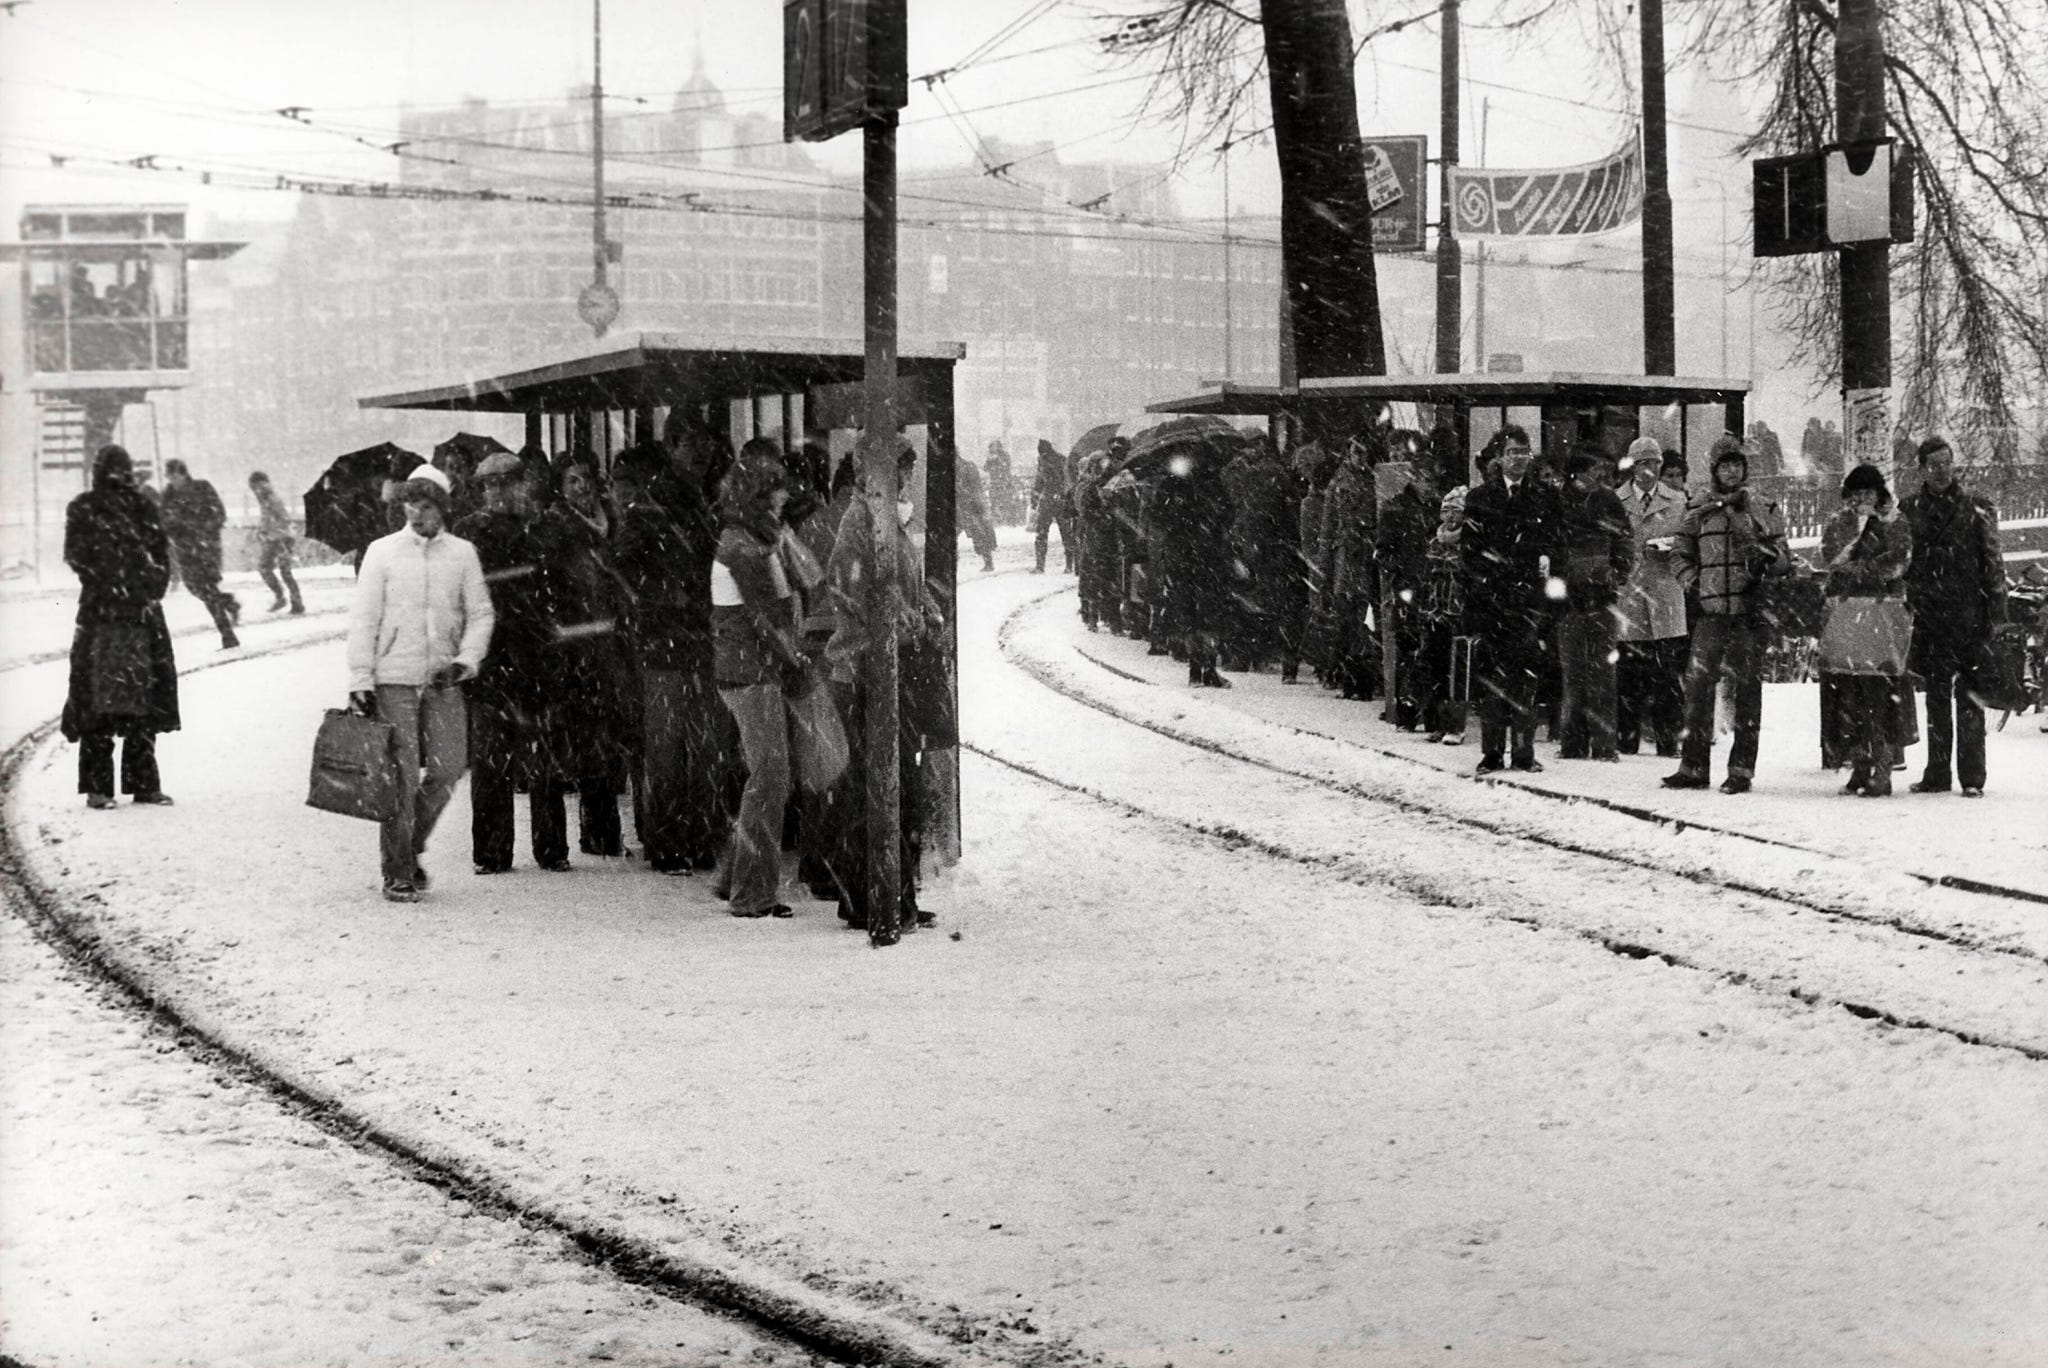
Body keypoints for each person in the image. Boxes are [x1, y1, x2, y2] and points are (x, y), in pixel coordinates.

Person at [345, 464, 494, 903]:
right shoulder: (382, 552)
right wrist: (360, 678)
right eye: (410, 503)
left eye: (426, 505)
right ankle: (397, 871)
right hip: (394, 678)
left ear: (443, 508)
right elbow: (364, 618)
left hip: (444, 679)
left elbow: (481, 613)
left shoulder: (462, 554)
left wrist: (465, 661)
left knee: (449, 768)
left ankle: (407, 847)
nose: (417, 513)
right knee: (403, 777)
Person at [823, 438, 946, 930]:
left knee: (895, 782)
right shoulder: (862, 519)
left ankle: (888, 892)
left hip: (890, 666)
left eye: (910, 470)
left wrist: (925, 608)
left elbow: (898, 583)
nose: (908, 479)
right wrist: (904, 618)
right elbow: (851, 585)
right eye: (902, 470)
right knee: (881, 784)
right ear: (876, 472)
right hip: (865, 668)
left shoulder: (887, 517)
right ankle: (875, 896)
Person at [453, 452, 563, 874]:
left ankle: (551, 847)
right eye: (489, 484)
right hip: (493, 657)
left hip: (535, 655)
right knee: (491, 760)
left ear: (522, 483)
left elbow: (558, 586)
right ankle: (493, 851)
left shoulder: (540, 528)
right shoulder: (468, 535)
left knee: (543, 759)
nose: (497, 491)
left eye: (505, 482)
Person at [1663, 436, 1790, 794]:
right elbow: (1680, 552)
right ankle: (1693, 766)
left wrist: (1764, 554)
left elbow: (1783, 560)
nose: (1731, 471)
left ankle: (1741, 769)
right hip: (1711, 613)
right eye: (1724, 465)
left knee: (1747, 692)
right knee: (1698, 690)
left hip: (1749, 612)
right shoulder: (1700, 509)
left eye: (1737, 464)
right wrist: (1693, 582)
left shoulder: (1763, 508)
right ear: (1714, 470)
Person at [712, 441, 805, 919]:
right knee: (771, 778)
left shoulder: (748, 538)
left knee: (763, 778)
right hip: (752, 671)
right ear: (759, 497)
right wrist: (794, 657)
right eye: (777, 493)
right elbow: (768, 617)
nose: (785, 499)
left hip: (746, 669)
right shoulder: (745, 547)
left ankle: (733, 875)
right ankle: (750, 893)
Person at [61, 445, 180, 809]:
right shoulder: (138, 506)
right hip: (133, 614)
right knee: (140, 699)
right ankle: (141, 783)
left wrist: (114, 585)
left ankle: (100, 787)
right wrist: (144, 589)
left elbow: (78, 557)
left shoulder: (86, 507)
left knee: (103, 700)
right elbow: (160, 556)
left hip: (107, 613)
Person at [532, 455, 635, 861]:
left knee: (599, 742)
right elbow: (551, 582)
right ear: (560, 486)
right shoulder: (554, 525)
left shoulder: (607, 519)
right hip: (569, 643)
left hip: (603, 640)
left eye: (587, 479)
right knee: (558, 744)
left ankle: (602, 834)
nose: (582, 487)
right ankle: (551, 844)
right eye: (572, 480)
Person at [1899, 436, 2004, 796]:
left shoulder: (1977, 507)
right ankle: (1937, 774)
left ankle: (1972, 777)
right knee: (1937, 697)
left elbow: (1993, 562)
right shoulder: (1908, 509)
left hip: (1970, 615)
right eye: (1934, 465)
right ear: (1922, 470)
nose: (1942, 470)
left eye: (1947, 462)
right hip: (1930, 617)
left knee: (1970, 697)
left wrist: (1996, 612)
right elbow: (1904, 562)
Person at [1461, 425, 1562, 773]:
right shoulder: (1479, 498)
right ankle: (1491, 752)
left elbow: (1554, 545)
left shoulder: (1543, 497)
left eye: (1524, 451)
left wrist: (1544, 578)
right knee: (1493, 679)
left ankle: (1524, 752)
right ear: (1499, 457)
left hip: (1529, 602)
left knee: (1526, 678)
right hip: (1493, 601)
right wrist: (1488, 584)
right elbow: (1471, 553)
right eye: (1512, 451)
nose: (1519, 458)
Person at [1822, 464, 1914, 796]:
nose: (1862, 499)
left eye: (1868, 492)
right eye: (1856, 492)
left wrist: (1859, 569)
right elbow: (1829, 557)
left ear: (1880, 493)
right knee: (1852, 690)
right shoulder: (1841, 523)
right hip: (1850, 612)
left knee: (1881, 692)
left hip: (1881, 611)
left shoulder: (1893, 521)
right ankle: (1861, 764)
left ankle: (1884, 767)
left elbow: (1900, 559)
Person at [1555, 448, 1635, 760]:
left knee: (1603, 674)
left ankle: (1605, 746)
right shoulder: (1559, 502)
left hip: (1603, 597)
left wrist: (1618, 574)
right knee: (1573, 674)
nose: (1596, 476)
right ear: (1575, 473)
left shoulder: (1608, 500)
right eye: (1589, 470)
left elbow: (1625, 540)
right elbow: (1552, 544)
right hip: (1570, 600)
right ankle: (1572, 743)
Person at [1614, 438, 1690, 756]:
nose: (1650, 469)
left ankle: (1667, 741)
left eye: (1655, 463)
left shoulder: (1678, 500)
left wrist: (1669, 545)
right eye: (1643, 463)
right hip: (1630, 592)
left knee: (1668, 673)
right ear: (1632, 465)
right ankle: (1627, 740)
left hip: (1666, 590)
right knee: (1630, 671)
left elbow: (1687, 542)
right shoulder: (1617, 500)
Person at [1374, 452, 1442, 729]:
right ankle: (1406, 709)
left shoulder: (1437, 508)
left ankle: (1428, 709)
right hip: (1409, 587)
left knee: (1432, 648)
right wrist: (1402, 572)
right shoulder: (1396, 508)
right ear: (1414, 478)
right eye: (1426, 479)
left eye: (1433, 481)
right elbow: (1383, 552)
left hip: (1434, 587)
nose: (1430, 486)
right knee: (1409, 646)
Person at [158, 458, 241, 649]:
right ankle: (228, 603)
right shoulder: (168, 495)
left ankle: (227, 634)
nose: (172, 480)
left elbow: (219, 513)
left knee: (208, 588)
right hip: (185, 548)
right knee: (195, 587)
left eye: (175, 476)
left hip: (206, 547)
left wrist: (203, 529)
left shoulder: (202, 488)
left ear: (183, 474)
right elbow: (162, 520)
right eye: (169, 476)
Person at [246, 470, 305, 615]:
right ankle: (286, 599)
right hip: (275, 538)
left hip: (282, 539)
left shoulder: (272, 499)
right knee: (267, 568)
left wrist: (271, 533)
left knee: (281, 571)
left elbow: (283, 519)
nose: (254, 491)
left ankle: (293, 601)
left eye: (255, 487)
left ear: (261, 485)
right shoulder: (265, 499)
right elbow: (267, 519)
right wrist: (261, 530)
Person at [1030, 438, 1074, 573]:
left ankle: (1041, 565)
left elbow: (1041, 481)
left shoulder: (1052, 461)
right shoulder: (1060, 460)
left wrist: (1035, 498)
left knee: (1044, 533)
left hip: (1051, 500)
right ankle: (1068, 564)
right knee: (1065, 533)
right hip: (1056, 500)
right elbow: (1041, 481)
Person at [955, 449, 997, 572]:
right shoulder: (967, 466)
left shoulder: (966, 467)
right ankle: (988, 562)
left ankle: (988, 562)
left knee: (979, 535)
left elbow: (975, 488)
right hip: (965, 507)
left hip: (967, 507)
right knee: (979, 534)